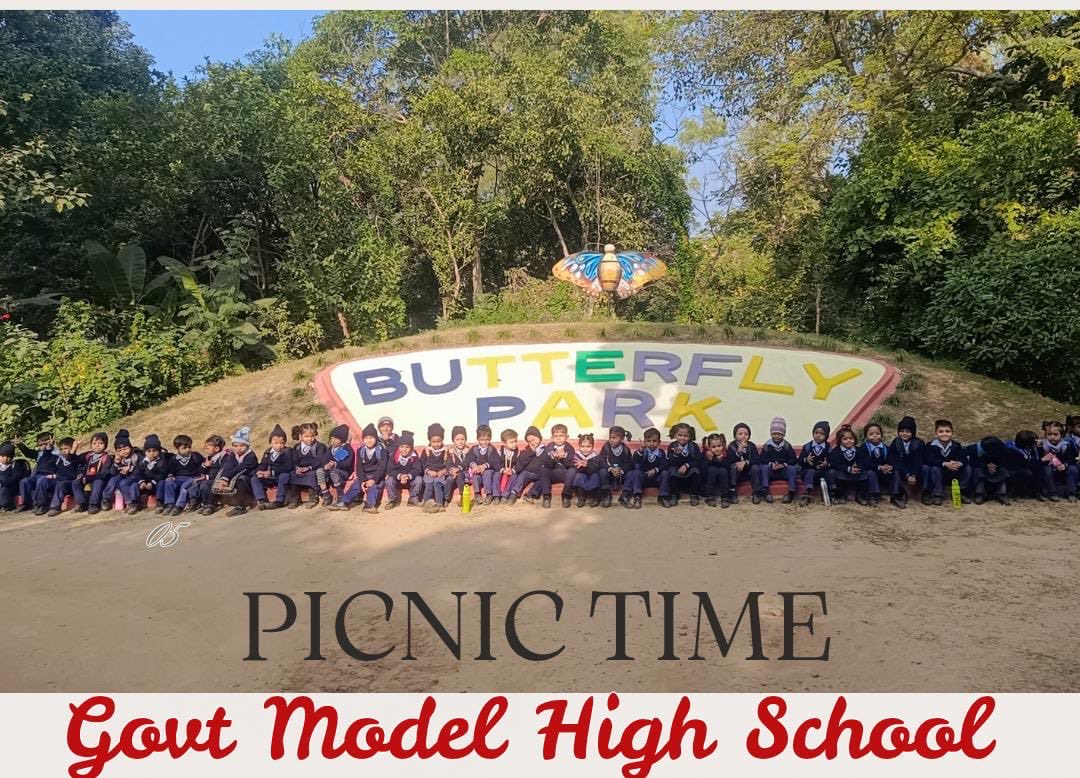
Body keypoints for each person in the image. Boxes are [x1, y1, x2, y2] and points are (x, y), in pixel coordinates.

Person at [333, 423, 385, 514]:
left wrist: (374, 479)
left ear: (376, 438)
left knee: (374, 486)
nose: (369, 440)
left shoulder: (381, 450)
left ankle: (370, 505)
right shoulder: (361, 450)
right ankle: (344, 502)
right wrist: (363, 480)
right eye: (366, 438)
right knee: (356, 485)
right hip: (364, 475)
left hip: (376, 475)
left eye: (371, 438)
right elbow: (359, 467)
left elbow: (382, 467)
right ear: (363, 439)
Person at [208, 427, 258, 516]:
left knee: (241, 479)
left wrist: (228, 477)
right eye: (235, 446)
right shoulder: (233, 454)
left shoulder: (251, 456)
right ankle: (210, 504)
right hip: (235, 476)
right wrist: (224, 477)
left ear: (247, 446)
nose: (238, 448)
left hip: (249, 478)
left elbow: (241, 468)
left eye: (242, 445)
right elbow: (228, 465)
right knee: (220, 476)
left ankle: (240, 506)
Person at [924, 419, 971, 506]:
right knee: (934, 468)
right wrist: (945, 463)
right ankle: (938, 494)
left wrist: (958, 463)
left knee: (967, 468)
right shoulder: (931, 445)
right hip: (939, 473)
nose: (944, 434)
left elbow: (963, 458)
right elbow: (929, 460)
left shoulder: (956, 445)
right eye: (941, 431)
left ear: (952, 433)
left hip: (953, 472)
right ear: (936, 433)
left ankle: (960, 492)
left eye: (947, 431)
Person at [756, 416, 798, 504]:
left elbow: (793, 459)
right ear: (771, 434)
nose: (777, 436)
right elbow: (762, 459)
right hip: (772, 471)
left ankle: (791, 492)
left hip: (783, 471)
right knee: (764, 467)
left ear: (783, 434)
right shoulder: (767, 446)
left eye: (779, 434)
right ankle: (766, 491)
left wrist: (783, 465)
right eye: (774, 434)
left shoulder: (787, 446)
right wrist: (771, 464)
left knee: (793, 468)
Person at [251, 425, 293, 511]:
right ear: (271, 442)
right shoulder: (268, 452)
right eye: (276, 443)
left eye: (282, 443)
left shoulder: (287, 452)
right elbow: (263, 464)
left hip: (280, 476)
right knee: (254, 478)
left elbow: (288, 467)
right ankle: (262, 500)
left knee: (284, 476)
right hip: (270, 477)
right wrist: (260, 471)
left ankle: (279, 501)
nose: (279, 445)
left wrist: (272, 472)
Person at [288, 422, 328, 509]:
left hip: (313, 468)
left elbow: (320, 460)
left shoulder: (320, 446)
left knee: (312, 475)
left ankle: (313, 498)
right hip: (301, 469)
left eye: (312, 436)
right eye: (306, 436)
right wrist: (297, 468)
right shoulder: (297, 447)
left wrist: (309, 468)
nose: (310, 439)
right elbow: (294, 460)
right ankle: (295, 499)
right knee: (292, 475)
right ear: (300, 436)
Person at [16, 431, 57, 513]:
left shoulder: (57, 453)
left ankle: (41, 505)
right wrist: (20, 444)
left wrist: (48, 449)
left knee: (40, 481)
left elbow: (48, 457)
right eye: (40, 445)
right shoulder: (39, 454)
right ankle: (26, 503)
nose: (42, 447)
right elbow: (28, 453)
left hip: (49, 477)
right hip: (37, 475)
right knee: (24, 482)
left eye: (44, 444)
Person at [888, 416, 925, 508]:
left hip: (915, 471)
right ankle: (896, 496)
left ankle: (926, 493)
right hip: (902, 470)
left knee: (926, 469)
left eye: (908, 431)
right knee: (895, 471)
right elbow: (895, 461)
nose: (904, 434)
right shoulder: (896, 442)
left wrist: (914, 475)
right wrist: (907, 475)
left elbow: (919, 460)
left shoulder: (919, 443)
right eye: (902, 431)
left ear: (913, 432)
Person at [828, 425, 871, 505]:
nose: (849, 441)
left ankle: (860, 495)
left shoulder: (859, 450)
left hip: (857, 473)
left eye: (851, 439)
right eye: (845, 439)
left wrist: (858, 468)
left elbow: (864, 461)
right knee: (835, 474)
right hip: (843, 473)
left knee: (866, 475)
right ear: (840, 441)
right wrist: (848, 469)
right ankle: (840, 495)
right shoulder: (836, 451)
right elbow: (835, 464)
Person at [162, 435, 203, 516]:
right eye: (184, 448)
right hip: (178, 478)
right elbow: (171, 470)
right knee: (169, 483)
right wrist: (170, 476)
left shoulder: (195, 456)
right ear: (177, 448)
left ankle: (179, 506)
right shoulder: (174, 459)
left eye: (189, 447)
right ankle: (169, 504)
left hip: (192, 478)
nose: (188, 449)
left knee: (184, 486)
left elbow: (201, 467)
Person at [629, 427, 669, 509]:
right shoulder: (641, 452)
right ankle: (637, 496)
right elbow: (635, 461)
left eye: (654, 441)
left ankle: (663, 497)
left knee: (665, 473)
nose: (651, 443)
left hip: (656, 478)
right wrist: (641, 451)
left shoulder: (661, 452)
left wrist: (655, 470)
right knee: (636, 472)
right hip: (644, 478)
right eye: (648, 441)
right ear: (644, 442)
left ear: (659, 442)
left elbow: (664, 464)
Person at [1039, 420, 1078, 502]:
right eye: (1049, 434)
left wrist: (1065, 465)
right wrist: (1042, 460)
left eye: (1055, 434)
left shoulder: (1066, 445)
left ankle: (1071, 493)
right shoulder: (1042, 446)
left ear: (1062, 435)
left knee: (1073, 468)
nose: (1052, 437)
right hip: (1048, 473)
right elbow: (1035, 462)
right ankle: (1052, 493)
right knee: (1047, 469)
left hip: (1062, 471)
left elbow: (1072, 459)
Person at [507, 426, 547, 505]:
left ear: (540, 438)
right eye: (529, 441)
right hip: (528, 472)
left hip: (539, 473)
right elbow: (522, 461)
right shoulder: (527, 450)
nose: (532, 442)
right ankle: (514, 492)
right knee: (523, 475)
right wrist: (531, 451)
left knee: (544, 478)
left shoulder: (546, 450)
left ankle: (530, 494)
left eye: (534, 439)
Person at [966, 436, 1011, 505]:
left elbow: (1005, 461)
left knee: (1003, 471)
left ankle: (1001, 494)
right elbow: (972, 462)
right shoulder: (974, 449)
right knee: (978, 471)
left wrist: (996, 467)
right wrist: (986, 466)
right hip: (981, 467)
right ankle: (980, 494)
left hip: (996, 468)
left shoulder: (1002, 449)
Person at [103, 432, 141, 514]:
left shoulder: (137, 455)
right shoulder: (118, 458)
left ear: (130, 447)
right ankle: (107, 499)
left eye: (125, 449)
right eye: (120, 450)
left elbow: (141, 469)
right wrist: (116, 462)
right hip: (125, 478)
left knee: (126, 484)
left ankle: (132, 503)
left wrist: (131, 468)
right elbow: (112, 473)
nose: (123, 452)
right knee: (115, 480)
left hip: (136, 477)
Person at [189, 434, 227, 514]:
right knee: (195, 483)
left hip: (218, 480)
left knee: (205, 484)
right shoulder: (208, 458)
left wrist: (207, 477)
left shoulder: (223, 457)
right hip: (208, 479)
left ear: (216, 449)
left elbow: (222, 471)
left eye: (208, 448)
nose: (206, 450)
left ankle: (210, 504)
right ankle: (198, 503)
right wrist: (204, 466)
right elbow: (200, 471)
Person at [76, 432, 113, 514]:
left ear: (105, 445)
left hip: (100, 479)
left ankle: (93, 505)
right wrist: (75, 449)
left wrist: (88, 478)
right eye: (94, 443)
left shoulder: (106, 457)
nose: (97, 445)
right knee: (75, 482)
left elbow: (104, 473)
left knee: (98, 481)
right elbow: (75, 460)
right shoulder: (88, 455)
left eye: (101, 443)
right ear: (91, 445)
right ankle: (82, 503)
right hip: (87, 478)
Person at [666, 423, 702, 507]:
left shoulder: (694, 446)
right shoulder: (672, 446)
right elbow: (670, 462)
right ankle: (674, 495)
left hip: (689, 468)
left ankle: (694, 494)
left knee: (695, 471)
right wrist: (676, 455)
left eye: (685, 436)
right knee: (671, 471)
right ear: (675, 435)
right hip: (676, 468)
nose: (683, 438)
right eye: (680, 435)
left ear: (690, 437)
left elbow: (698, 460)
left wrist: (687, 465)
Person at [45, 438, 83, 516]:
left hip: (74, 483)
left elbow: (71, 474)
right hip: (63, 484)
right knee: (50, 482)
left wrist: (73, 450)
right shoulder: (59, 461)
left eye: (66, 448)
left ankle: (81, 505)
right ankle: (54, 507)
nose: (63, 451)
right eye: (61, 449)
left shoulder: (76, 459)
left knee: (61, 483)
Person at [598, 426, 634, 508]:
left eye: (614, 438)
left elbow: (629, 464)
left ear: (621, 439)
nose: (611, 440)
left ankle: (625, 495)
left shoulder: (625, 450)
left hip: (621, 474)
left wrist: (621, 470)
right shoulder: (606, 447)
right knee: (602, 471)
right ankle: (606, 494)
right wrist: (610, 468)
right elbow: (601, 460)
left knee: (632, 473)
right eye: (610, 437)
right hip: (610, 473)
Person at [797, 421, 831, 506]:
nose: (818, 435)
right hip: (809, 471)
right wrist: (806, 459)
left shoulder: (828, 447)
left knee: (831, 473)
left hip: (822, 472)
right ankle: (807, 492)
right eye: (816, 433)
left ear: (826, 435)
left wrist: (827, 464)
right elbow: (800, 461)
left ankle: (830, 494)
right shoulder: (807, 446)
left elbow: (833, 461)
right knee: (810, 471)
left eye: (822, 433)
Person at [385, 432, 423, 508]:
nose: (404, 449)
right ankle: (393, 500)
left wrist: (408, 476)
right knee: (389, 480)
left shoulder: (414, 456)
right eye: (402, 447)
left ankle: (413, 499)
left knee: (419, 479)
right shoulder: (394, 456)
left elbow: (418, 469)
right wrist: (399, 476)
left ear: (411, 448)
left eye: (407, 447)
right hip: (397, 479)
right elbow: (390, 469)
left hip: (409, 479)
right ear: (398, 447)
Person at [466, 425, 502, 504]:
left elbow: (495, 461)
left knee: (487, 473)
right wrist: (474, 466)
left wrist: (484, 466)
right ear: (477, 439)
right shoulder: (474, 449)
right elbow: (469, 459)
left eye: (487, 440)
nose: (484, 442)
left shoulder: (491, 449)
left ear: (490, 439)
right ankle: (477, 494)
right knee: (475, 475)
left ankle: (489, 494)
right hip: (478, 471)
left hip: (488, 471)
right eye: (482, 440)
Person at [133, 435, 167, 514]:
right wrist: (141, 481)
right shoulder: (142, 461)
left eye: (154, 451)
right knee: (134, 484)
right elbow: (138, 472)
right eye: (149, 451)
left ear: (159, 451)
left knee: (161, 482)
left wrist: (152, 482)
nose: (152, 453)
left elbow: (162, 474)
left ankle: (159, 503)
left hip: (155, 484)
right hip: (145, 485)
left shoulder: (162, 462)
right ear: (145, 452)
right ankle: (135, 503)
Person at [322, 424, 354, 505]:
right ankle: (326, 495)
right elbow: (324, 461)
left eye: (336, 439)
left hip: (343, 472)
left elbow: (347, 464)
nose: (333, 441)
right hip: (331, 471)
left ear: (342, 439)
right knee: (319, 471)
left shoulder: (347, 449)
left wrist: (336, 464)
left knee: (334, 472)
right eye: (331, 438)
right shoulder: (330, 449)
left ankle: (340, 496)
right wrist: (326, 466)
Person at [727, 423, 759, 504]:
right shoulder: (732, 446)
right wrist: (738, 452)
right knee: (733, 466)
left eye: (746, 434)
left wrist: (745, 462)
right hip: (736, 473)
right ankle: (732, 492)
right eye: (740, 434)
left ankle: (756, 492)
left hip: (748, 472)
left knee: (755, 468)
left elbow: (756, 459)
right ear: (735, 436)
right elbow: (729, 461)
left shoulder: (751, 446)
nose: (743, 436)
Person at [422, 423, 451, 513]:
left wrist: (443, 471)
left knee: (437, 484)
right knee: (429, 484)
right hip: (429, 473)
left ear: (442, 439)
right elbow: (423, 463)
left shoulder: (445, 451)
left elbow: (449, 463)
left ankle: (439, 503)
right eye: (434, 442)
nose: (437, 444)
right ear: (430, 441)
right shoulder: (426, 451)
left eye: (439, 441)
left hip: (440, 473)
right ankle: (427, 503)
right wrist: (428, 471)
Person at [860, 422, 890, 507]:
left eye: (877, 433)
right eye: (871, 434)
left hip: (882, 472)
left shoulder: (885, 448)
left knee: (894, 472)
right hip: (868, 472)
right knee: (871, 473)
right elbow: (864, 463)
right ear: (866, 436)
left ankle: (896, 494)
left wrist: (889, 466)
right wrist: (879, 467)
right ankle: (873, 495)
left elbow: (890, 459)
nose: (875, 436)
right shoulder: (864, 448)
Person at [1005, 430, 1041, 500]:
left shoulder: (1026, 448)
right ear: (1028, 445)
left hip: (1020, 469)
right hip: (1011, 473)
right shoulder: (1014, 451)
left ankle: (1035, 492)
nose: (1037, 443)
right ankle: (1014, 492)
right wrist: (1041, 458)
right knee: (1027, 473)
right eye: (1035, 442)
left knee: (1037, 470)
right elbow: (1028, 464)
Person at [571, 433, 602, 507]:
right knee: (579, 476)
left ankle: (594, 497)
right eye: (582, 446)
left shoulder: (595, 456)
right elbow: (574, 468)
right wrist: (581, 466)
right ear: (579, 446)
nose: (585, 449)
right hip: (582, 475)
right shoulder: (577, 456)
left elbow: (595, 468)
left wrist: (587, 465)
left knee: (596, 476)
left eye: (588, 446)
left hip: (592, 474)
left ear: (592, 447)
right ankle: (581, 497)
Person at [702, 433, 730, 508]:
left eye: (719, 446)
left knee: (723, 470)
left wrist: (721, 460)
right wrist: (710, 460)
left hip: (723, 477)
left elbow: (728, 466)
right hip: (709, 478)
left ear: (723, 445)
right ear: (708, 447)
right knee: (712, 469)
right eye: (713, 447)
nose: (717, 449)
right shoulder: (706, 454)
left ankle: (725, 496)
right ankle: (709, 496)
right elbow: (703, 469)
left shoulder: (726, 453)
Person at [0, 441, 29, 512]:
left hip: (11, 489)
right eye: (2, 456)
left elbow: (13, 480)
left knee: (4, 489)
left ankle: (6, 505)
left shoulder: (16, 465)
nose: (5, 459)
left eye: (8, 456)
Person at [447, 425, 471, 506]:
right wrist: (451, 470)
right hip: (454, 474)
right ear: (453, 440)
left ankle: (463, 497)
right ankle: (446, 498)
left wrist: (459, 468)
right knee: (450, 479)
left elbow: (467, 462)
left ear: (465, 440)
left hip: (466, 473)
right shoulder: (451, 452)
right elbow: (449, 463)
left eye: (462, 439)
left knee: (460, 475)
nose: (460, 442)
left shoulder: (468, 451)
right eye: (457, 440)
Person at [498, 429, 519, 498]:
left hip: (512, 471)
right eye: (511, 442)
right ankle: (497, 494)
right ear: (504, 443)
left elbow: (519, 464)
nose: (514, 444)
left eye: (515, 441)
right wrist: (503, 470)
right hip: (502, 470)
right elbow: (496, 463)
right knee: (496, 475)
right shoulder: (499, 452)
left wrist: (512, 470)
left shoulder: (518, 452)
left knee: (514, 477)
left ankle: (506, 494)